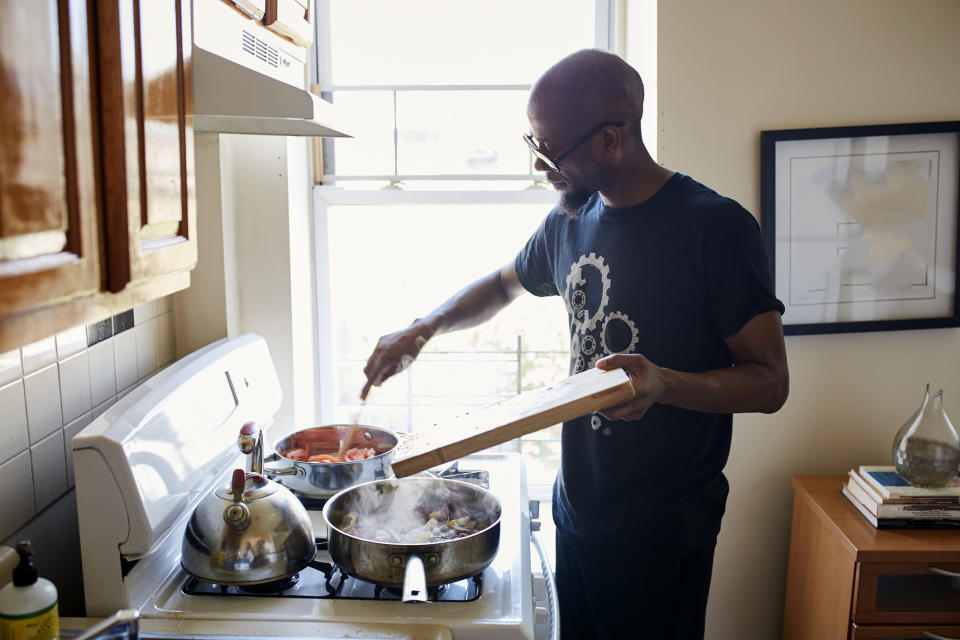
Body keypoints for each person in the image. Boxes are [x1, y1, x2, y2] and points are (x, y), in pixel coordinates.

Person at [360, 49, 789, 640]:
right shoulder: (572, 218)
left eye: (549, 151)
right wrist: (424, 326)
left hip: (661, 531)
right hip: (580, 510)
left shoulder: (715, 229)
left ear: (611, 139)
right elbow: (504, 283)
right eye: (531, 145)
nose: (540, 166)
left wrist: (665, 383)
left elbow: (770, 382)